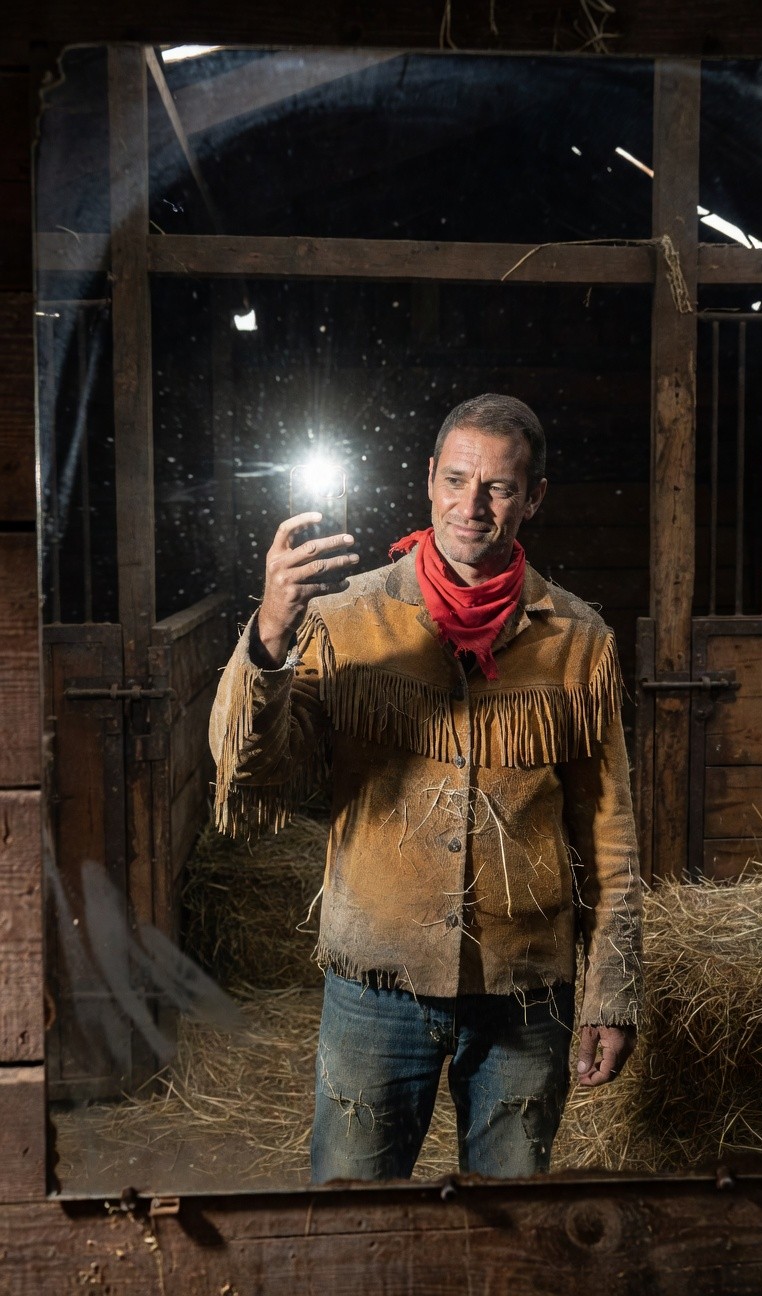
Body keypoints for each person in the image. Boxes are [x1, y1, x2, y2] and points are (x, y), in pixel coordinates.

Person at [210, 393, 643, 1182]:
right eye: (455, 480)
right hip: (377, 988)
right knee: (349, 1221)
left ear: (533, 498)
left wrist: (614, 991)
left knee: (511, 1234)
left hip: (526, 993)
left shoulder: (579, 641)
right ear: (428, 483)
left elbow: (608, 830)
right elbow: (255, 771)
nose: (472, 506)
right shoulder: (346, 617)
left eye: (499, 487)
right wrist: (270, 632)